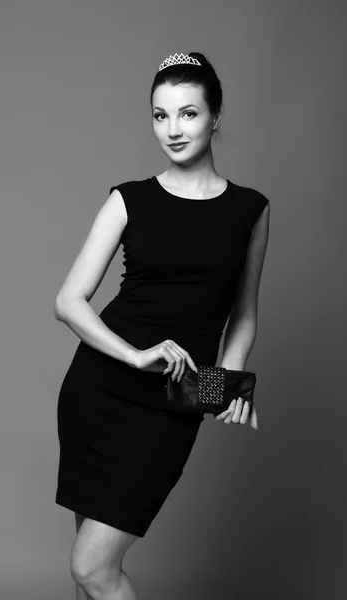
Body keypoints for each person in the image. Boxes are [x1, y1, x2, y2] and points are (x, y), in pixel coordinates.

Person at [54, 51, 270, 600]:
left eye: (188, 113)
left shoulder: (251, 209)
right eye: (160, 115)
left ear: (216, 116)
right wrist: (132, 355)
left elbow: (242, 313)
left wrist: (226, 384)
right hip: (100, 387)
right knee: (89, 569)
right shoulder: (129, 199)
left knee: (92, 568)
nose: (172, 130)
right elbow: (68, 301)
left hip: (177, 396)